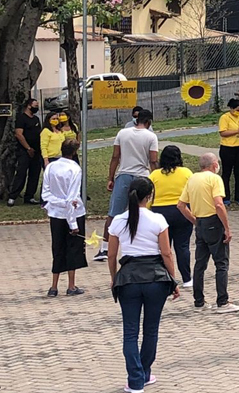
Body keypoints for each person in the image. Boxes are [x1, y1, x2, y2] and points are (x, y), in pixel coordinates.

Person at [108, 177, 179, 393]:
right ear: (149, 196)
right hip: (155, 277)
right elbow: (166, 253)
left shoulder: (118, 221)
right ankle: (145, 373)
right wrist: (173, 279)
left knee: (130, 332)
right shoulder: (157, 220)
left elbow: (112, 255)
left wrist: (114, 278)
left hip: (128, 277)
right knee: (151, 330)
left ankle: (135, 380)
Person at [177, 153, 239, 313]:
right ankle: (222, 301)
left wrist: (195, 221)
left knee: (200, 264)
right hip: (214, 221)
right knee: (221, 263)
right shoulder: (215, 179)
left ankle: (199, 301)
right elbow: (219, 204)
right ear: (213, 165)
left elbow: (181, 205)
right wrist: (227, 227)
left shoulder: (192, 179)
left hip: (201, 223)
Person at [97, 109, 158, 262]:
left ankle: (104, 248)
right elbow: (153, 160)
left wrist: (110, 178)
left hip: (123, 175)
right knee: (143, 211)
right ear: (149, 122)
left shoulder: (122, 133)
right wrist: (156, 178)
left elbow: (115, 156)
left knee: (114, 212)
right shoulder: (151, 136)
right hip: (142, 176)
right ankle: (143, 244)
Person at [42, 139, 87, 297]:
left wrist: (57, 202)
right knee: (73, 248)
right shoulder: (75, 169)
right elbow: (72, 198)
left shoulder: (51, 167)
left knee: (58, 247)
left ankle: (53, 286)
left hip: (55, 214)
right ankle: (71, 285)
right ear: (74, 152)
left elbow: (45, 194)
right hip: (73, 214)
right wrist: (73, 223)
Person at [148, 146, 194, 287]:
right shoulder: (186, 173)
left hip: (160, 213)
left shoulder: (154, 175)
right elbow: (192, 193)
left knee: (163, 248)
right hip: (181, 211)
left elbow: (149, 197)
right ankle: (187, 279)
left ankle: (164, 277)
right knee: (182, 246)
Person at [8, 97, 42, 207]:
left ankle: (29, 196)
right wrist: (28, 148)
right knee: (21, 174)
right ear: (28, 105)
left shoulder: (36, 119)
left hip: (37, 151)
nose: (36, 108)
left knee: (34, 174)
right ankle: (13, 196)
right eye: (35, 106)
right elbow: (19, 134)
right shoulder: (21, 118)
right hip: (24, 151)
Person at [218, 98, 239, 205]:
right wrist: (237, 131)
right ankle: (225, 197)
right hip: (227, 148)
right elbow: (223, 133)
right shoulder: (225, 118)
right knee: (227, 173)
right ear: (231, 108)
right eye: (237, 110)